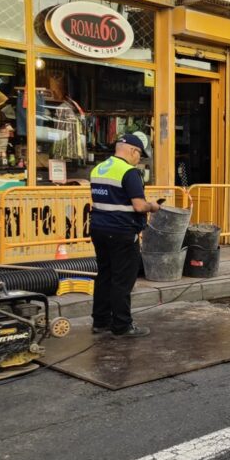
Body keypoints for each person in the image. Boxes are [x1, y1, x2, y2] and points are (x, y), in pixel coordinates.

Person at [90, 133, 160, 337]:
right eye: (139, 154)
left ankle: (100, 322)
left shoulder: (98, 169)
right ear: (132, 150)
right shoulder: (129, 172)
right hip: (122, 232)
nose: (139, 158)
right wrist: (153, 206)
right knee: (122, 279)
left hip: (99, 229)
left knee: (104, 275)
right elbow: (139, 206)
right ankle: (122, 325)